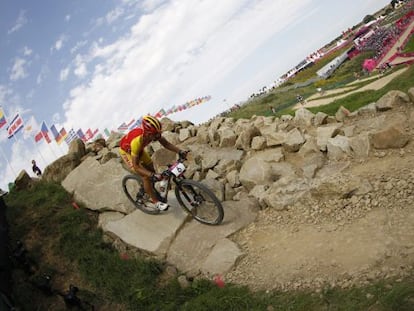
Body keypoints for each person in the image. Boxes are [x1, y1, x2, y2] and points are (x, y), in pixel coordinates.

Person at [119, 115, 187, 211]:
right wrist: (151, 175)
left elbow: (166, 144)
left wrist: (180, 151)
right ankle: (156, 202)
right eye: (155, 134)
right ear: (147, 134)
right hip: (127, 151)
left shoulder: (153, 134)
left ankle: (148, 188)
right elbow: (136, 166)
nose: (158, 136)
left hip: (139, 150)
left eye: (158, 133)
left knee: (152, 169)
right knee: (146, 176)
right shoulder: (137, 142)